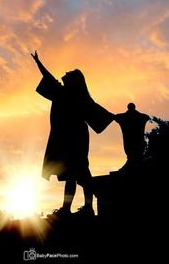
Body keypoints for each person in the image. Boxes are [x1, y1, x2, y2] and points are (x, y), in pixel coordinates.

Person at [31, 51, 114, 218]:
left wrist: (115, 117)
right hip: (68, 137)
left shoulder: (74, 96)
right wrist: (38, 62)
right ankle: (68, 209)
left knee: (81, 173)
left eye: (68, 74)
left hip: (77, 137)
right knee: (72, 173)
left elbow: (97, 112)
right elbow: (49, 78)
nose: (64, 74)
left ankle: (87, 208)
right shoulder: (63, 93)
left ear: (74, 80)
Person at [115, 103, 150, 170]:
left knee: (132, 146)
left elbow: (116, 117)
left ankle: (134, 160)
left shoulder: (124, 117)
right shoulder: (141, 117)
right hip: (138, 143)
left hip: (132, 142)